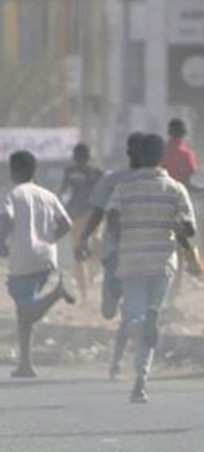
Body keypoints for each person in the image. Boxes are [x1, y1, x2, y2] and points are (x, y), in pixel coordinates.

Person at [106, 134, 200, 403]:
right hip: (162, 262)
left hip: (132, 260)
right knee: (152, 321)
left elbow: (111, 218)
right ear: (162, 157)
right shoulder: (175, 189)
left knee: (135, 317)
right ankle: (141, 382)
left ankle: (140, 369)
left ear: (139, 156)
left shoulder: (124, 187)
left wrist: (121, 236)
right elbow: (189, 228)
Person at [0, 150, 75, 378]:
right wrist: (48, 239)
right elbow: (65, 224)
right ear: (35, 170)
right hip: (45, 259)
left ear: (13, 171)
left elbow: (5, 218)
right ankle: (26, 364)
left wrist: (1, 242)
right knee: (25, 314)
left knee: (25, 310)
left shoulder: (10, 193)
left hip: (22, 259)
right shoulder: (47, 195)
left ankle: (57, 294)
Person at [79, 133, 144, 379]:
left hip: (144, 256)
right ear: (130, 153)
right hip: (116, 252)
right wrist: (84, 238)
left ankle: (120, 364)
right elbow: (97, 212)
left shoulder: (159, 181)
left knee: (132, 313)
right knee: (110, 311)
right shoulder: (114, 180)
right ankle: (110, 292)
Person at [59, 143, 103, 299]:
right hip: (91, 216)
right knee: (90, 248)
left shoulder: (70, 171)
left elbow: (62, 193)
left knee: (78, 252)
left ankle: (85, 292)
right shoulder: (97, 173)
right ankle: (89, 283)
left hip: (77, 215)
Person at [161, 118, 199, 189]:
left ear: (169, 132)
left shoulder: (162, 151)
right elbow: (192, 170)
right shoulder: (187, 153)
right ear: (184, 132)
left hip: (165, 187)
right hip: (183, 188)